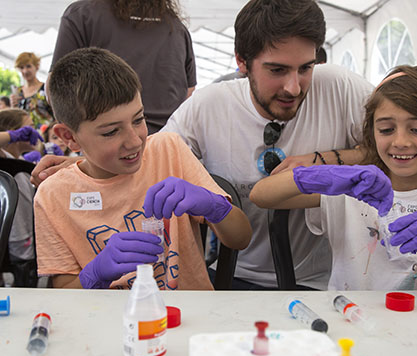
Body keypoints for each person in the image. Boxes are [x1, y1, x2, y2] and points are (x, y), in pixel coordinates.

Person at [159, 0, 374, 290]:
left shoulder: (339, 86)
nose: (294, 87)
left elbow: (401, 153)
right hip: (230, 277)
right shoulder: (207, 107)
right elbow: (152, 166)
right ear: (242, 62)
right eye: (277, 70)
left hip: (329, 283)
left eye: (305, 68)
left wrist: (325, 159)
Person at [250, 65, 417, 290]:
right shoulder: (352, 188)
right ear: (371, 130)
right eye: (386, 129)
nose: (400, 142)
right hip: (350, 322)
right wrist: (320, 176)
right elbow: (261, 196)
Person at [34, 47, 251, 290]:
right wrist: (95, 273)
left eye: (138, 119)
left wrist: (214, 206)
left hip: (188, 318)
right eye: (111, 131)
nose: (135, 141)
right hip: (104, 322)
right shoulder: (53, 196)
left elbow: (240, 238)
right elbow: (63, 292)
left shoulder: (168, 151)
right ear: (69, 137)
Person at [51, 0, 197, 134]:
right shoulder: (177, 27)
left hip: (110, 145)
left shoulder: (83, 14)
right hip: (168, 144)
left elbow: (57, 87)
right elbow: (188, 93)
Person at [0, 109, 44, 287]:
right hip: (15, 247)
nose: (36, 133)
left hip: (28, 243)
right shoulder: (6, 163)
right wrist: (13, 136)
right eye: (30, 128)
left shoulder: (22, 164)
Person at [9, 52, 54, 128]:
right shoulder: (18, 92)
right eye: (21, 67)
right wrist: (13, 107)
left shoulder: (46, 88)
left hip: (46, 134)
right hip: (25, 135)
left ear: (37, 67)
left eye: (28, 66)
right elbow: (15, 119)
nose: (25, 71)